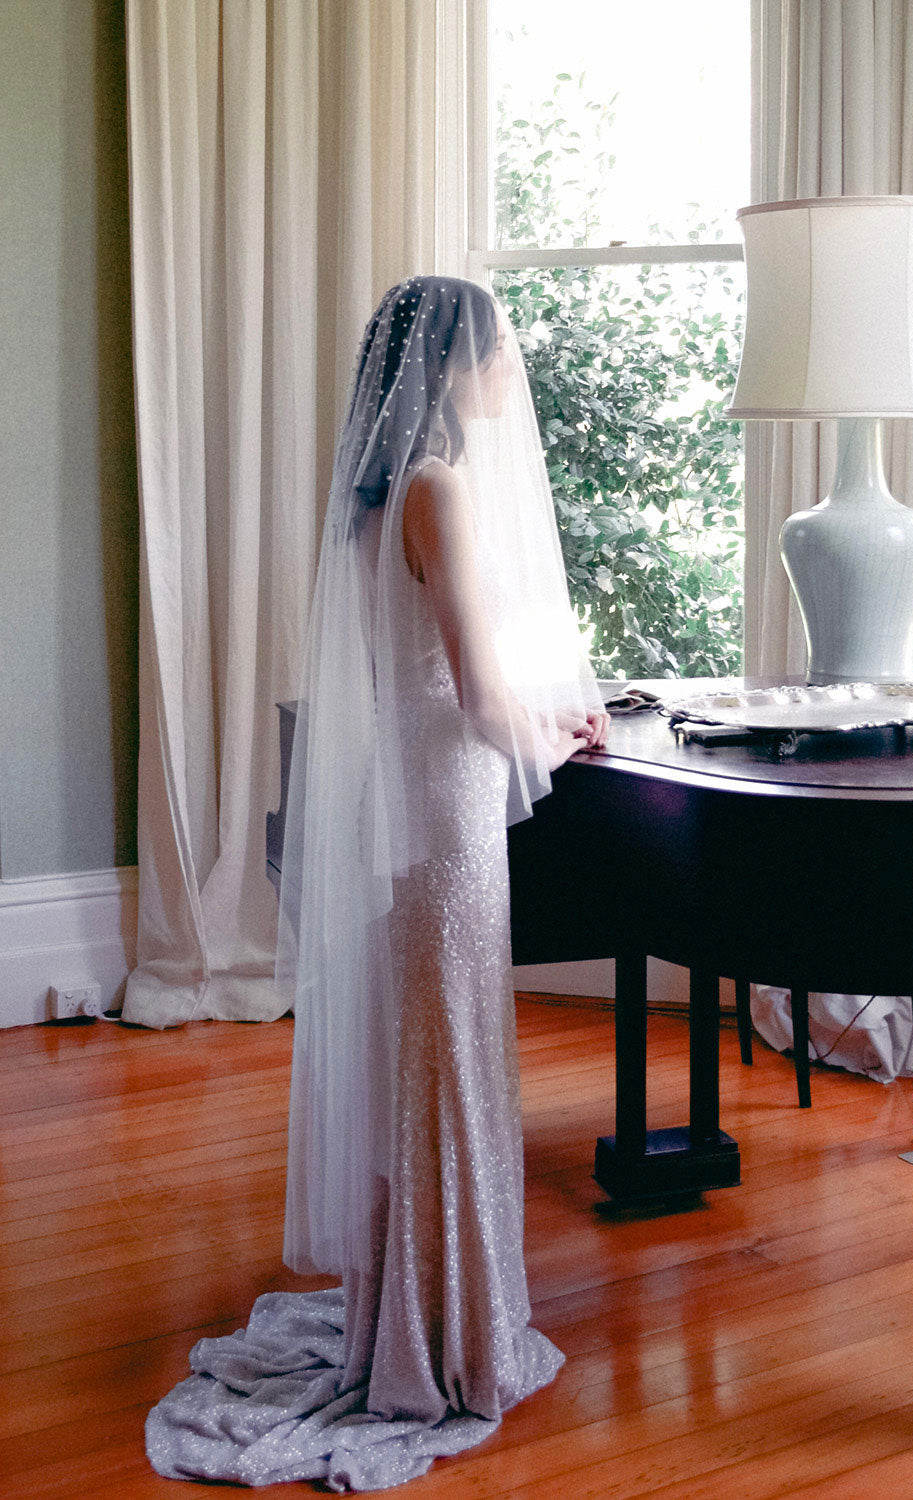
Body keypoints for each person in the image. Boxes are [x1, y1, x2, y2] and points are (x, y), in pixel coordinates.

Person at [145, 275, 607, 1492]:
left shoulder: (375, 498)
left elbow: (432, 668)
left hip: (410, 804)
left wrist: (536, 712)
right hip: (448, 814)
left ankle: (421, 1308)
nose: (508, 375)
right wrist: (560, 733)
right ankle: (445, 1339)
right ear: (452, 367)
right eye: (497, 356)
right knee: (451, 1058)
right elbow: (471, 688)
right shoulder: (440, 488)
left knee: (428, 1061)